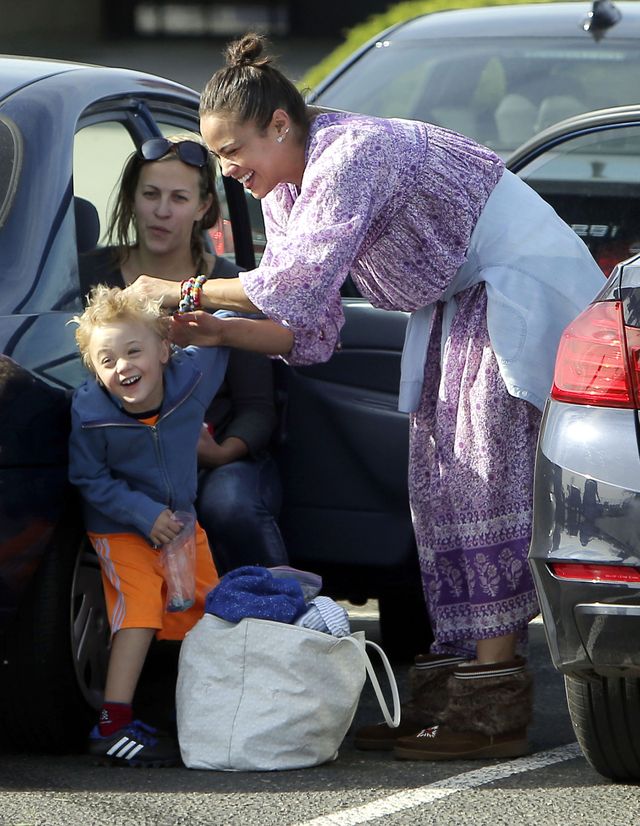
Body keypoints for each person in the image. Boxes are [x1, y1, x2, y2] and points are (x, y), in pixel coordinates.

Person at [134, 33, 606, 761]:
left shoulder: (351, 154)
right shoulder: (288, 192)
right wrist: (218, 333)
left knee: (483, 486)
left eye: (233, 153)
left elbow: (288, 289)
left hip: (513, 287)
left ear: (280, 127)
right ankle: (451, 691)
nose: (229, 171)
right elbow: (308, 328)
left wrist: (184, 287)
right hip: (457, 301)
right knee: (436, 490)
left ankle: (494, 702)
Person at [80, 134, 288, 575]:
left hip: (212, 459)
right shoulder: (91, 275)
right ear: (132, 199)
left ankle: (277, 621)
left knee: (230, 503)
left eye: (178, 198)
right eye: (151, 194)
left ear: (202, 207)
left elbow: (257, 408)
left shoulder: (227, 286)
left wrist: (221, 453)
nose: (161, 210)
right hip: (121, 456)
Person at [68, 285, 228, 767]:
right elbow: (88, 479)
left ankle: (189, 709)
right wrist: (142, 514)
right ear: (94, 371)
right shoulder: (91, 414)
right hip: (121, 528)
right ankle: (112, 722)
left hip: (181, 525)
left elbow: (219, 326)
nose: (123, 367)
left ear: (163, 350)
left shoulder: (192, 377)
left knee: (203, 609)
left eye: (134, 350)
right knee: (138, 609)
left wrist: (186, 301)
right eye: (107, 359)